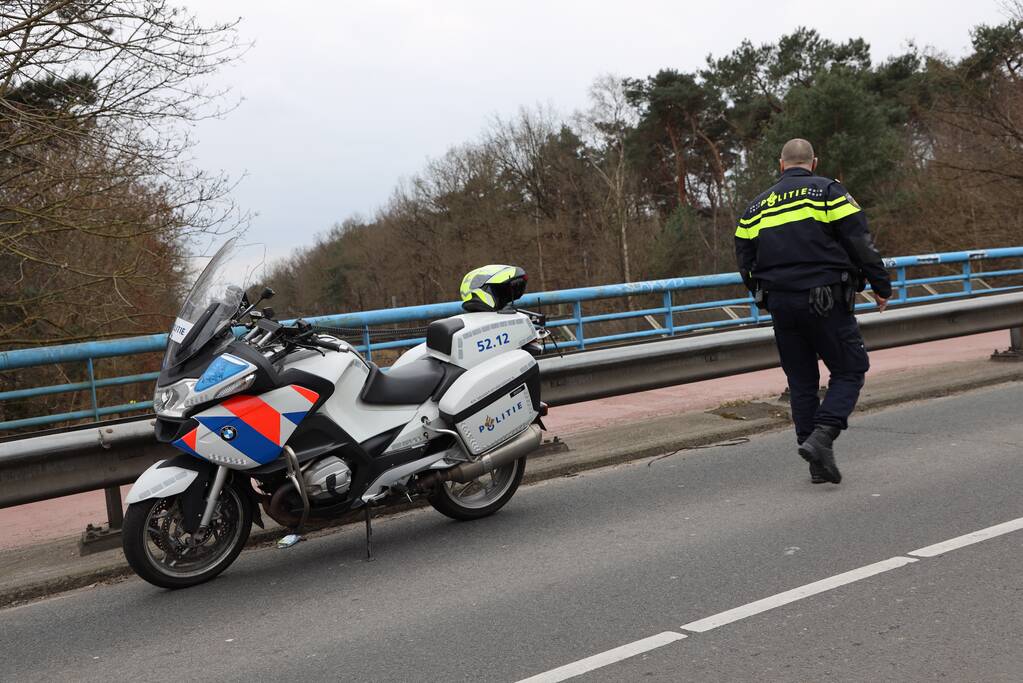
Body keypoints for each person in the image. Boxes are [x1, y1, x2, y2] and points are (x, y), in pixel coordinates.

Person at [734, 138, 892, 484]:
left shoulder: (755, 207)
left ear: (781, 165)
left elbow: (744, 262)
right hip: (825, 300)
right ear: (814, 162)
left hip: (780, 304)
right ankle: (823, 437)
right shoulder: (829, 193)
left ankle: (817, 465)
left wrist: (762, 295)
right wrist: (881, 286)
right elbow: (860, 243)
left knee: (802, 382)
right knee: (851, 369)